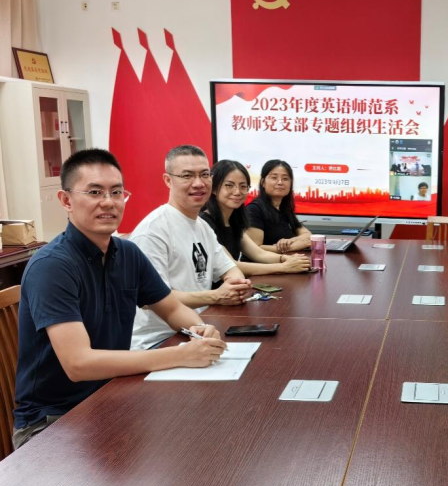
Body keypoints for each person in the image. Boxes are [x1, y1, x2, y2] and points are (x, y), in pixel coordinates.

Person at [13, 150, 226, 449]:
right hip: (53, 422)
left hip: (112, 396)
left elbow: (172, 308)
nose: (108, 202)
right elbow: (79, 364)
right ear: (66, 200)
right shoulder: (52, 266)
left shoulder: (128, 253)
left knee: (198, 437)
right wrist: (181, 355)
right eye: (94, 192)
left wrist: (199, 329)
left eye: (116, 192)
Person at [130, 145, 253, 350]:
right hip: (158, 342)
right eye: (187, 176)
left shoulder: (202, 226)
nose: (198, 183)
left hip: (197, 330)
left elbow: (230, 268)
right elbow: (152, 299)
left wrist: (235, 286)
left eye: (204, 175)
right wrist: (216, 296)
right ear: (168, 180)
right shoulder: (153, 231)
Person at [200, 159, 311, 275]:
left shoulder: (234, 220)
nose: (237, 192)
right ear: (213, 188)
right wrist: (283, 267)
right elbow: (230, 265)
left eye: (243, 186)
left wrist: (285, 258)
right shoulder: (204, 223)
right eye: (229, 185)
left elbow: (258, 253)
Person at [246, 159, 312, 253]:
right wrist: (294, 246)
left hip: (289, 260)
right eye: (274, 178)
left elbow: (308, 235)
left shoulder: (284, 209)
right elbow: (254, 248)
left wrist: (290, 241)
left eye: (285, 179)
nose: (280, 182)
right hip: (266, 262)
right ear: (263, 182)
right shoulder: (254, 209)